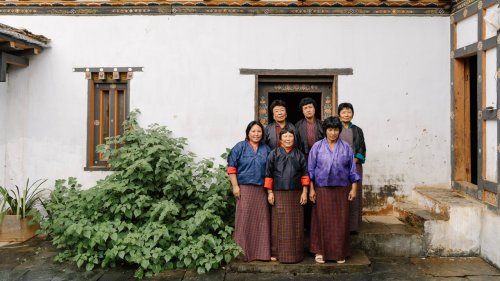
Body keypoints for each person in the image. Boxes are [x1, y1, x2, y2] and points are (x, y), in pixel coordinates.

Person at [308, 116, 360, 264]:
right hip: (322, 189)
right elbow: (310, 170)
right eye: (330, 129)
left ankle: (339, 252)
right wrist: (311, 190)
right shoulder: (317, 147)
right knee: (320, 220)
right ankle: (320, 251)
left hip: (341, 188)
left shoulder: (346, 147)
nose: (333, 133)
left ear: (339, 131)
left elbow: (352, 169)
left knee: (340, 221)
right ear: (325, 131)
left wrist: (353, 188)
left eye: (336, 130)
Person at [227, 121, 272, 262]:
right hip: (244, 188)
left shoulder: (267, 149)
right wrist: (235, 186)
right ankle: (242, 254)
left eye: (259, 131)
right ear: (248, 133)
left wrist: (269, 191)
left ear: (262, 134)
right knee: (244, 220)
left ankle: (261, 253)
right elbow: (231, 168)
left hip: (261, 190)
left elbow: (270, 171)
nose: (256, 134)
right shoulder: (239, 147)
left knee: (261, 221)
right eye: (253, 131)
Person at [264, 128, 309, 263]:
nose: (288, 139)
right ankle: (276, 252)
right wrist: (270, 192)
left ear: (294, 139)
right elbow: (268, 174)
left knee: (296, 223)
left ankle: (295, 254)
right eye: (285, 137)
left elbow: (305, 175)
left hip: (296, 194)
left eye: (291, 136)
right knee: (278, 223)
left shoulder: (299, 155)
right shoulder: (273, 154)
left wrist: (305, 192)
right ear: (280, 139)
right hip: (278, 193)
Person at [338, 102, 366, 233]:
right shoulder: (336, 129)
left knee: (355, 193)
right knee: (341, 193)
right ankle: (341, 224)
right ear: (339, 114)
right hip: (338, 166)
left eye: (349, 112)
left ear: (352, 114)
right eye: (343, 112)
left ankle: (353, 226)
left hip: (355, 165)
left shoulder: (357, 130)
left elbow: (362, 147)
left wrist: (355, 159)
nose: (346, 114)